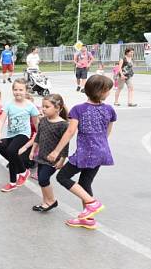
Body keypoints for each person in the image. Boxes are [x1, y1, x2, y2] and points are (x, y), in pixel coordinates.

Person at [47, 75, 117, 229]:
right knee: (85, 183)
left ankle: (92, 203)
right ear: (101, 92)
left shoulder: (78, 109)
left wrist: (56, 151)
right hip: (101, 151)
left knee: (62, 177)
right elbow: (107, 133)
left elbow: (70, 131)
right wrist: (100, 146)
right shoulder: (109, 109)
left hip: (86, 152)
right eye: (108, 90)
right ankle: (89, 218)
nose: (109, 93)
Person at [0, 79, 39, 192]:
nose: (18, 92)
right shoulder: (9, 104)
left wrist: (37, 138)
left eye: (21, 90)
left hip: (23, 134)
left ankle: (20, 174)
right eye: (15, 89)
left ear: (26, 90)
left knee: (11, 151)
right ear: (12, 90)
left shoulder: (30, 106)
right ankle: (17, 178)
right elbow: (2, 118)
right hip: (11, 135)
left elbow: (37, 124)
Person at [31, 94, 69, 212]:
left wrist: (62, 159)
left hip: (53, 158)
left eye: (47, 107)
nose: (43, 109)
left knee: (43, 179)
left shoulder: (63, 124)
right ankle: (45, 202)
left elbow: (65, 143)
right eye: (43, 106)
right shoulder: (43, 121)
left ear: (57, 108)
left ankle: (52, 201)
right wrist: (33, 150)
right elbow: (38, 137)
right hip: (42, 155)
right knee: (42, 180)